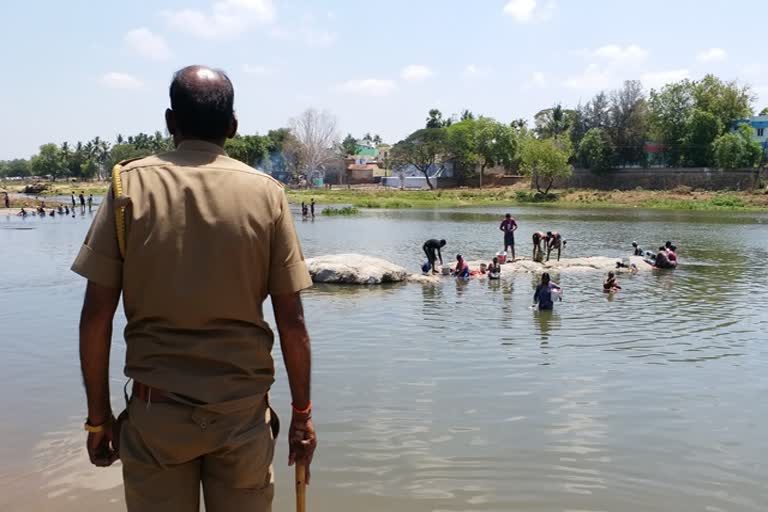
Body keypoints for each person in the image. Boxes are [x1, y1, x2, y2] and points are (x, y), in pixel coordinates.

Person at [71, 65, 316, 512]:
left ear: (170, 121)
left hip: (155, 416)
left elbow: (96, 316)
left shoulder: (128, 186)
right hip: (241, 416)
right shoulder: (266, 193)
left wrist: (97, 419)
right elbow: (292, 321)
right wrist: (301, 417)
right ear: (233, 125)